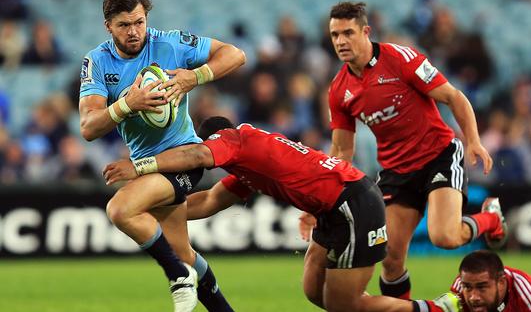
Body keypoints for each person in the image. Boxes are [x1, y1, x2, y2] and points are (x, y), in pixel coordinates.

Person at [103, 116, 465, 312]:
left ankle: (437, 309)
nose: (209, 155)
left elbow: (198, 157)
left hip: (353, 204)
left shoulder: (236, 140)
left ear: (215, 140)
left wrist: (139, 168)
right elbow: (209, 201)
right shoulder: (249, 163)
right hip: (332, 210)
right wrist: (161, 203)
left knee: (345, 306)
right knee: (313, 291)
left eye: (208, 147)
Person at [315, 1, 506, 300]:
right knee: (389, 258)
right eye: (335, 35)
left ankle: (491, 218)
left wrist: (473, 140)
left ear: (366, 31)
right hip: (395, 172)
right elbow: (341, 150)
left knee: (444, 237)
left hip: (438, 155)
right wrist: (325, 197)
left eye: (348, 33)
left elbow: (453, 97)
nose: (340, 41)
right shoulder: (339, 90)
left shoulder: (400, 58)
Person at [79, 0, 245, 312]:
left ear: (146, 18)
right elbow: (88, 127)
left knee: (120, 210)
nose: (134, 31)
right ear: (108, 26)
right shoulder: (97, 62)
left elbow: (235, 55)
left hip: (182, 158)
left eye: (139, 22)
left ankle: (177, 276)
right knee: (183, 252)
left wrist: (193, 78)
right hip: (149, 163)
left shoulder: (169, 43)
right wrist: (127, 105)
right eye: (124, 25)